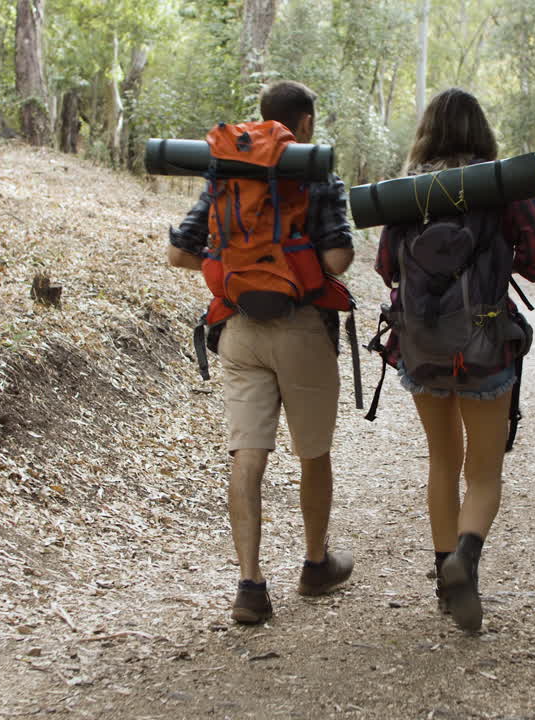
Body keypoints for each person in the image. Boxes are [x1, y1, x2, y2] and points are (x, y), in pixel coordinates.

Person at [166, 81, 356, 625]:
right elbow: (339, 260)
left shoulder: (227, 171)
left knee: (247, 456)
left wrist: (242, 265)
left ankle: (250, 586)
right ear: (306, 124)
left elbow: (179, 252)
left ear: (263, 118)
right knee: (312, 452)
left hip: (240, 331)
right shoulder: (315, 173)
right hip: (300, 331)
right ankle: (315, 565)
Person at [374, 88, 535, 631]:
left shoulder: (409, 191)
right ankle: (465, 563)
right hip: (485, 347)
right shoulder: (502, 187)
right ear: (483, 132)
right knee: (483, 471)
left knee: (442, 463)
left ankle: (444, 586)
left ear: (427, 132)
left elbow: (387, 268)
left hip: (423, 347)